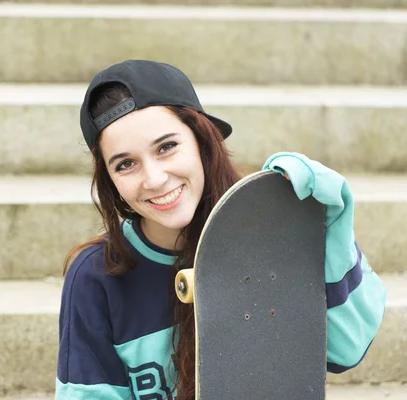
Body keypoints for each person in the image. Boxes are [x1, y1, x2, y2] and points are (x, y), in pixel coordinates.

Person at [55, 59, 386, 399]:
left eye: (166, 147)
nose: (153, 179)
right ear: (110, 182)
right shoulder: (96, 275)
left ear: (202, 141)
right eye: (125, 164)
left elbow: (346, 351)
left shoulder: (263, 237)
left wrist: (327, 226)